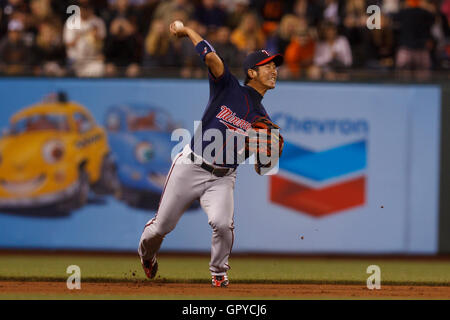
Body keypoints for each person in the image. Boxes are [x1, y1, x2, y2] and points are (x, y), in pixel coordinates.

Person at [138, 20, 284, 287]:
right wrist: (187, 32)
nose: (274, 70)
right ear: (252, 72)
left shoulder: (264, 120)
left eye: (276, 66)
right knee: (161, 228)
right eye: (269, 66)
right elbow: (211, 57)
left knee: (222, 224)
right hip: (191, 166)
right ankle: (147, 256)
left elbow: (262, 168)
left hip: (223, 177)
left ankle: (218, 273)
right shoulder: (228, 87)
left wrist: (268, 155)